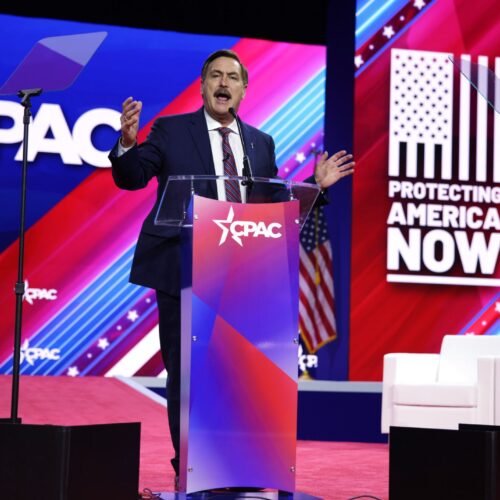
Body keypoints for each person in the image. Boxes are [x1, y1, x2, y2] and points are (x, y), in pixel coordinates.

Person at [109, 49, 354, 487]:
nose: (224, 84)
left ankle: (238, 467)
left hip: (243, 272)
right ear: (203, 86)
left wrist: (315, 187)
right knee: (187, 374)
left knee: (238, 374)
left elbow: (273, 207)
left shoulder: (260, 142)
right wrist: (127, 143)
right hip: (183, 267)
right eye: (216, 76)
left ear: (243, 89)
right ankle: (190, 467)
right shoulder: (171, 130)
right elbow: (132, 177)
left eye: (232, 78)